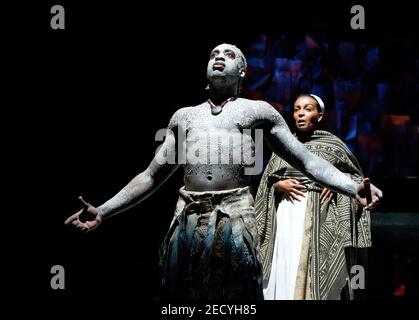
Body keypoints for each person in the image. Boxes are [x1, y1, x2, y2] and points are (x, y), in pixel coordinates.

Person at [64, 44, 382, 300]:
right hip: (189, 213)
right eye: (214, 54)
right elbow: (151, 176)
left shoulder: (258, 111)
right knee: (183, 296)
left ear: (242, 71)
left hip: (235, 214)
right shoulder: (184, 117)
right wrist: (103, 211)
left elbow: (307, 161)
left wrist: (352, 186)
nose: (219, 58)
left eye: (228, 55)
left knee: (236, 298)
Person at [255, 94, 373, 300]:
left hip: (321, 214)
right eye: (297, 109)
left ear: (319, 116)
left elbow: (355, 178)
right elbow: (267, 179)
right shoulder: (283, 146)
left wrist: (338, 184)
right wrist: (277, 184)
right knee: (285, 263)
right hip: (285, 215)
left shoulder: (334, 145)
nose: (301, 113)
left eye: (308, 109)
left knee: (313, 266)